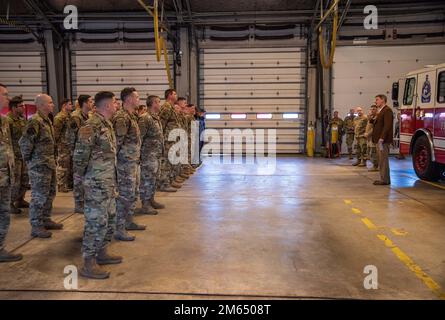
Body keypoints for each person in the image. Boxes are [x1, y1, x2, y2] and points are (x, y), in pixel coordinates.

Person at [73, 91, 121, 279]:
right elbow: (79, 157)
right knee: (95, 222)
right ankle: (88, 263)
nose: (117, 105)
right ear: (107, 105)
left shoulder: (106, 124)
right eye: (115, 102)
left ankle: (102, 253)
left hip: (108, 183)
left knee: (109, 219)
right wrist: (83, 182)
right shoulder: (91, 125)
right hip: (96, 184)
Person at [19, 94, 62, 238]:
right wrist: (30, 162)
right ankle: (36, 226)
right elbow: (25, 143)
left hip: (49, 164)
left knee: (50, 193)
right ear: (42, 105)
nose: (53, 105)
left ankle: (46, 219)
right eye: (50, 102)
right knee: (39, 196)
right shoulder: (35, 121)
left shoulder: (47, 120)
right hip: (39, 166)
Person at [112, 87, 145, 242]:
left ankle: (128, 221)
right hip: (124, 164)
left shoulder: (131, 116)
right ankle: (119, 228)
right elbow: (116, 144)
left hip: (133, 162)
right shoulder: (121, 118)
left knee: (132, 194)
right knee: (124, 196)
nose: (139, 99)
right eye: (136, 97)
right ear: (129, 99)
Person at [0, 84, 23, 262]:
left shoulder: (4, 121)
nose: (8, 98)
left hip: (5, 177)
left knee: (4, 214)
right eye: (5, 94)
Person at [137, 95, 166, 215]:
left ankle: (151, 199)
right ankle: (145, 204)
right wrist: (139, 155)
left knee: (154, 178)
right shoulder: (145, 118)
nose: (160, 104)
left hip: (156, 154)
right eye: (158, 102)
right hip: (148, 155)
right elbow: (140, 137)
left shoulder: (155, 117)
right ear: (153, 103)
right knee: (147, 179)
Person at [67, 95, 93, 214]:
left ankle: (85, 201)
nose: (92, 103)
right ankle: (78, 203)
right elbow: (71, 137)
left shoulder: (89, 116)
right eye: (90, 101)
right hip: (79, 153)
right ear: (85, 103)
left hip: (87, 152)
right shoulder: (75, 117)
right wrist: (74, 153)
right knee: (78, 179)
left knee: (86, 178)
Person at [6, 96, 29, 214]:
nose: (23, 107)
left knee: (25, 180)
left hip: (23, 155)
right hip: (14, 157)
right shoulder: (8, 121)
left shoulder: (22, 119)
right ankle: (9, 203)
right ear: (14, 107)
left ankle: (20, 200)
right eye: (21, 106)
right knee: (15, 182)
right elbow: (6, 140)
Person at [158, 89, 182, 191]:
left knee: (172, 161)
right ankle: (164, 184)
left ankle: (170, 180)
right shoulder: (166, 107)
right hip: (168, 140)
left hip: (173, 139)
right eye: (174, 94)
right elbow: (161, 123)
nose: (176, 96)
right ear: (169, 95)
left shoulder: (171, 108)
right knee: (167, 162)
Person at [371, 94, 394, 185]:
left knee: (383, 160)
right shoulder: (380, 111)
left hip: (383, 141)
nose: (375, 101)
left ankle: (384, 180)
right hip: (379, 140)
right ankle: (384, 178)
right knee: (381, 160)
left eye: (377, 99)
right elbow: (378, 123)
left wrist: (382, 138)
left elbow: (387, 126)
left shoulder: (387, 110)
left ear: (383, 100)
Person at [53, 99, 74, 192]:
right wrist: (57, 146)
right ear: (64, 105)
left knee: (68, 166)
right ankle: (61, 185)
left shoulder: (69, 116)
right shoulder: (59, 117)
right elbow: (56, 133)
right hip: (62, 146)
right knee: (62, 166)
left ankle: (68, 183)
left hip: (69, 145)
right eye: (70, 104)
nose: (72, 106)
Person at [364, 105, 379, 171]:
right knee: (370, 153)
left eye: (374, 109)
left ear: (377, 110)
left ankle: (375, 166)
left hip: (373, 138)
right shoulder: (371, 118)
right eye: (371, 109)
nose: (372, 110)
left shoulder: (377, 118)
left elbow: (374, 128)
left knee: (374, 152)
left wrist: (368, 134)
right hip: (369, 138)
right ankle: (374, 165)